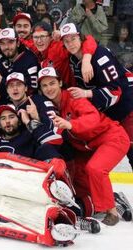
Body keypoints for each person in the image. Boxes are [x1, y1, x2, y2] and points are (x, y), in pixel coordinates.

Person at [38, 66, 130, 226]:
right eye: (44, 85)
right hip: (86, 148)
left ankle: (111, 211)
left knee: (95, 168)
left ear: (60, 83)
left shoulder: (74, 98)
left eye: (52, 83)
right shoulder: (50, 107)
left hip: (112, 138)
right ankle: (115, 199)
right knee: (78, 183)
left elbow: (92, 117)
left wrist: (70, 124)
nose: (49, 88)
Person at [60, 22, 133, 169]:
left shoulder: (101, 57)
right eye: (66, 41)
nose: (70, 44)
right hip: (110, 113)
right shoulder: (74, 59)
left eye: (73, 39)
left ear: (80, 38)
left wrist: (87, 93)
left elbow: (115, 91)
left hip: (127, 109)